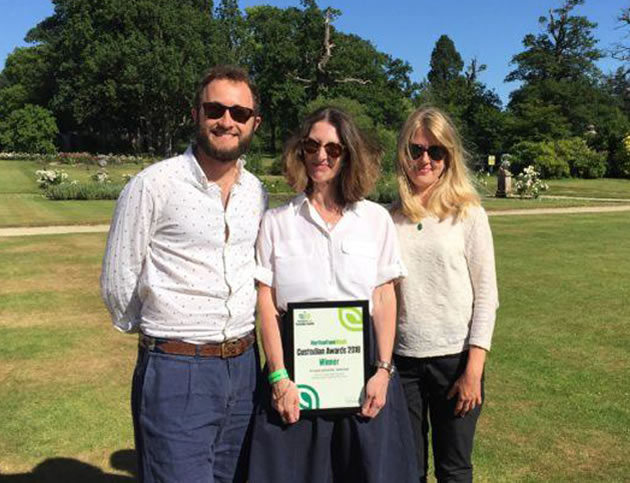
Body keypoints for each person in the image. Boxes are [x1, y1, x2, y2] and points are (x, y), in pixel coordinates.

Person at [100, 65, 267, 483]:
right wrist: (166, 333)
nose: (226, 121)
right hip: (178, 369)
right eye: (215, 109)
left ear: (254, 123)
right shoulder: (154, 184)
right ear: (196, 113)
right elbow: (119, 280)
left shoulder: (257, 191)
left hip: (246, 367)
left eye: (239, 113)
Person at [249, 107, 419, 483]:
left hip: (363, 376)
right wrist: (278, 377)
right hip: (293, 378)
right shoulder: (277, 222)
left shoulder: (374, 220)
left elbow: (385, 297)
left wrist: (384, 371)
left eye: (333, 148)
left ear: (349, 155)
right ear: (300, 151)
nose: (320, 156)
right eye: (312, 146)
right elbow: (266, 300)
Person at [391, 106, 499, 483]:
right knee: (408, 469)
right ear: (404, 153)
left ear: (448, 158)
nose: (425, 160)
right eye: (416, 150)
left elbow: (487, 296)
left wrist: (474, 369)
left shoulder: (468, 214)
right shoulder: (389, 219)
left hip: (455, 361)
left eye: (436, 152)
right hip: (402, 363)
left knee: (454, 470)